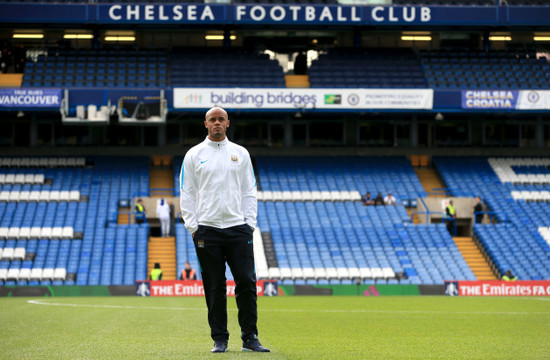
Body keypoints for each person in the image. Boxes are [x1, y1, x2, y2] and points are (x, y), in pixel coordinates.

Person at [180, 106, 269, 353]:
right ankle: (220, 339)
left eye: (221, 119)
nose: (217, 123)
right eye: (212, 119)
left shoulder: (240, 153)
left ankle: (250, 337)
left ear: (228, 123)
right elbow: (186, 193)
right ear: (205, 124)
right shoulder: (194, 155)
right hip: (207, 230)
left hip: (238, 228)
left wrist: (249, 224)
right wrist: (193, 228)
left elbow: (249, 190)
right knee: (214, 286)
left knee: (247, 283)